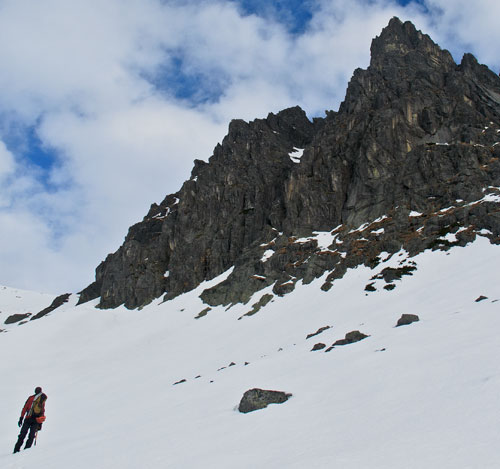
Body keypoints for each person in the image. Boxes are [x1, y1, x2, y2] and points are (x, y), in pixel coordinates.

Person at [14, 386, 47, 453]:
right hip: (36, 420)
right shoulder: (41, 399)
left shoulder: (31, 398)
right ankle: (26, 450)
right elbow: (42, 411)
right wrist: (40, 423)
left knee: (22, 435)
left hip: (28, 419)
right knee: (31, 436)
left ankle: (16, 450)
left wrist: (21, 418)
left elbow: (25, 408)